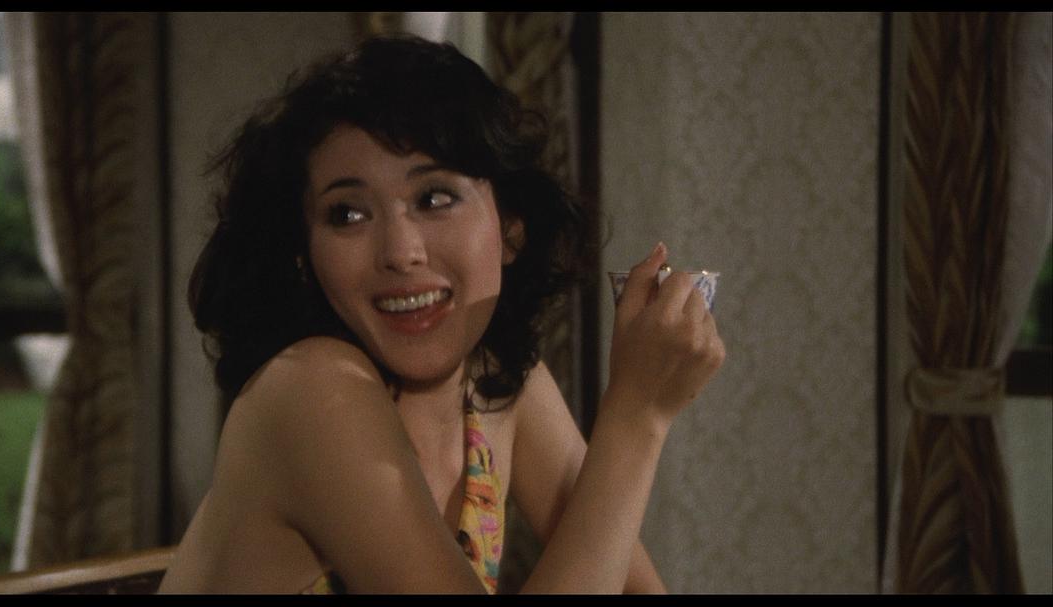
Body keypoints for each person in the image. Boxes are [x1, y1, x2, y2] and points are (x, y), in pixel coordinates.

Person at [157, 34, 724, 594]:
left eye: (433, 198)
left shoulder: (499, 382)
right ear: (303, 255)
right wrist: (637, 414)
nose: (401, 252)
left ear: (511, 228)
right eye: (348, 214)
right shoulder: (310, 389)